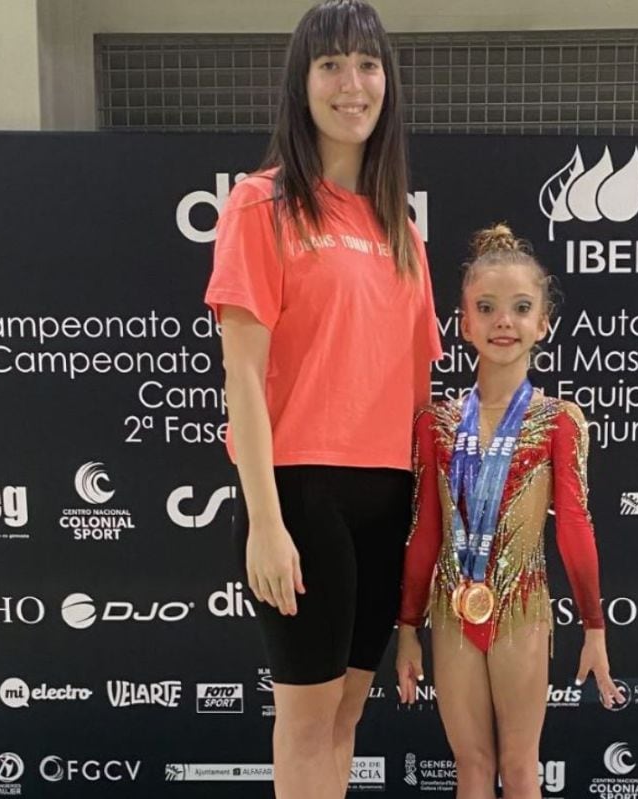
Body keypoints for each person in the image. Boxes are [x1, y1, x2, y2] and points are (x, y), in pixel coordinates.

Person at [203, 2, 441, 797]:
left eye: (368, 65)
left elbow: (416, 391)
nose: (353, 84)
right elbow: (242, 376)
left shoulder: (400, 229)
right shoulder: (260, 203)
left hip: (386, 494)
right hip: (300, 493)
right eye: (331, 65)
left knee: (344, 714)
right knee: (307, 719)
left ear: (389, 83)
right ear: (300, 85)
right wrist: (264, 522)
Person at [396, 224, 623, 799]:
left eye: (521, 308)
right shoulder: (437, 423)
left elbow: (574, 527)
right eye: (487, 308)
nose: (504, 322)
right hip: (451, 611)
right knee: (471, 766)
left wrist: (594, 629)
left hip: (522, 609)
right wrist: (407, 630)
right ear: (464, 322)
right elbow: (424, 532)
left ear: (543, 323)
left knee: (521, 767)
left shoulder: (559, 420)